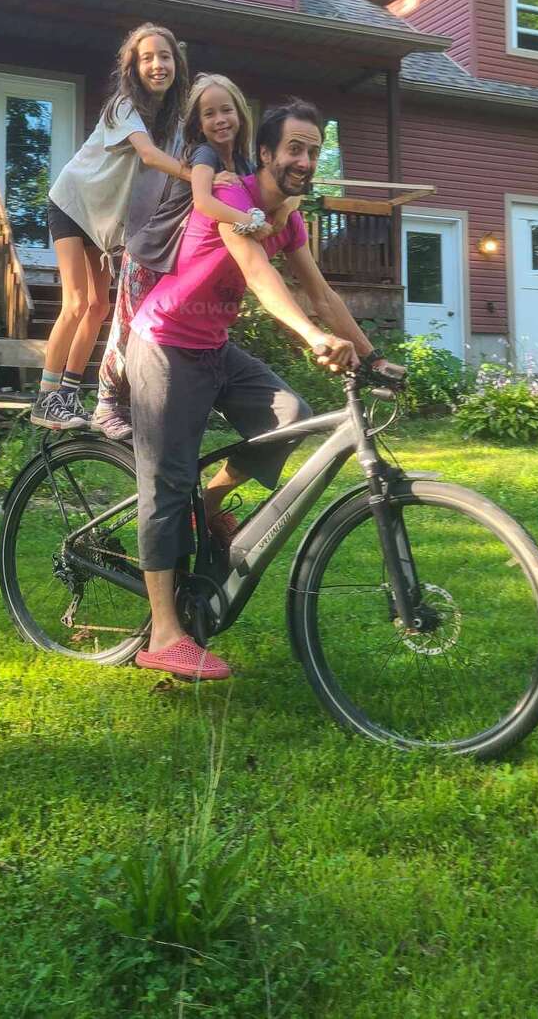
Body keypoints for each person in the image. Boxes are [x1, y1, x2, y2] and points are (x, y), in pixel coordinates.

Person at [126, 98, 393, 682]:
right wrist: (310, 337)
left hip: (213, 346)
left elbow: (320, 294)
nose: (305, 159)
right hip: (166, 341)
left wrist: (373, 358)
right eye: (294, 148)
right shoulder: (234, 198)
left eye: (314, 151)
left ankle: (212, 502)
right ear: (266, 152)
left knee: (289, 416)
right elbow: (257, 273)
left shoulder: (291, 218)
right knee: (168, 482)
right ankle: (165, 634)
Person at [92, 73, 296, 440]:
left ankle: (140, 408)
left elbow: (275, 194)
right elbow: (204, 201)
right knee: (128, 333)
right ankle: (106, 403)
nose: (220, 120)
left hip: (179, 266)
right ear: (198, 124)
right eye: (209, 114)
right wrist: (250, 220)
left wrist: (284, 207)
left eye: (226, 110)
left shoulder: (245, 163)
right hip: (151, 253)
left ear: (240, 113)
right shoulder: (204, 155)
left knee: (152, 340)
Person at [31, 22, 191, 429]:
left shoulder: (170, 119)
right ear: (133, 68)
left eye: (165, 56)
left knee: (100, 307)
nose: (157, 64)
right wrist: (200, 176)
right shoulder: (124, 107)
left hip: (102, 224)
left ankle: (67, 395)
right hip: (71, 202)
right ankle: (45, 398)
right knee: (78, 302)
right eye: (147, 58)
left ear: (177, 63)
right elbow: (150, 158)